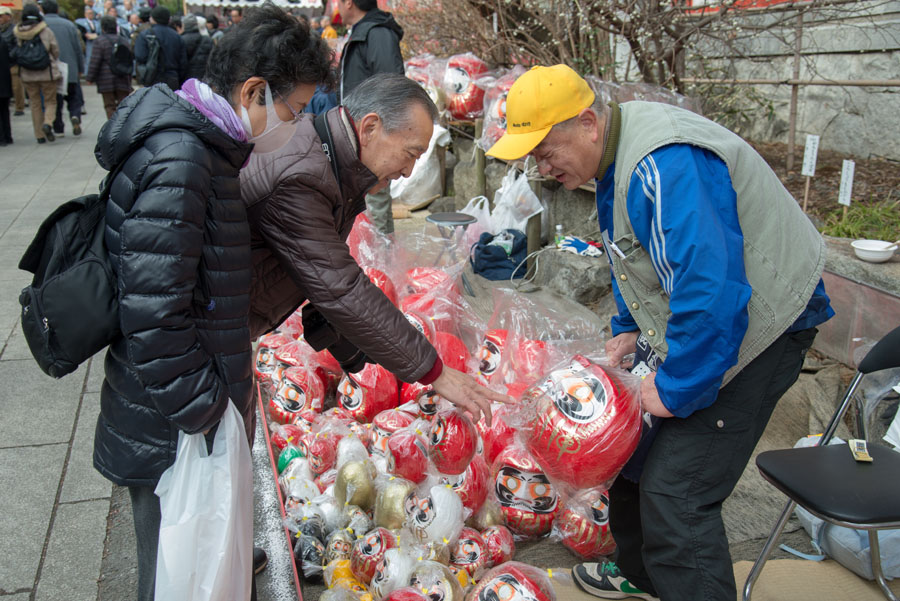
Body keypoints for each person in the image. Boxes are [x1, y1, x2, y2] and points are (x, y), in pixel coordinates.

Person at [486, 64, 835, 601]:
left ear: (587, 123)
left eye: (545, 148)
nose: (541, 165)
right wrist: (628, 329)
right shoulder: (611, 162)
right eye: (532, 156)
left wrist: (676, 389)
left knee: (679, 493)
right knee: (632, 451)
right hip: (711, 320)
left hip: (764, 325)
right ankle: (643, 578)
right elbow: (636, 254)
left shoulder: (663, 165)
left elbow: (712, 292)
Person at [92, 5, 333, 601]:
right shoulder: (184, 158)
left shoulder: (206, 149)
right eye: (295, 111)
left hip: (170, 414)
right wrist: (205, 413)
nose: (297, 127)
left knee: (183, 569)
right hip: (167, 424)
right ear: (255, 92)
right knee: (169, 575)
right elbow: (151, 312)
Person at [240, 73, 509, 425]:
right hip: (194, 335)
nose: (409, 171)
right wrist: (435, 372)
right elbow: (340, 288)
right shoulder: (303, 176)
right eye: (410, 153)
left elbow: (319, 283)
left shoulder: (327, 162)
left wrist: (357, 362)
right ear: (370, 127)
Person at [336, 0, 404, 236]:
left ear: (348, 3)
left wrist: (382, 139)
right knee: (363, 207)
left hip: (374, 137)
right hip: (357, 133)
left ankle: (381, 267)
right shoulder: (362, 32)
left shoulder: (378, 34)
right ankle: (369, 262)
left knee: (375, 203)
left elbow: (393, 89)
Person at [14, 3, 60, 143]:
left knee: (34, 103)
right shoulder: (45, 30)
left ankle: (39, 135)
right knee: (50, 101)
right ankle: (48, 123)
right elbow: (55, 50)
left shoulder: (18, 32)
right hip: (46, 72)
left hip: (27, 73)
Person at [41, 0, 84, 136]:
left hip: (50, 69)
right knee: (74, 96)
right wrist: (80, 68)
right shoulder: (69, 25)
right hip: (70, 67)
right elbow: (78, 49)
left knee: (55, 100)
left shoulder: (41, 25)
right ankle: (75, 115)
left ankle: (58, 127)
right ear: (57, 10)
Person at [85, 15, 131, 118]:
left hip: (105, 79)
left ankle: (112, 130)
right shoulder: (123, 40)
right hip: (122, 77)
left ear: (103, 28)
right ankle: (123, 127)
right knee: (123, 106)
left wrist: (90, 78)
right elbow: (129, 60)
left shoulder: (100, 41)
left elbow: (95, 61)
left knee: (109, 106)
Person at [134, 5, 186, 89]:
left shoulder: (145, 35)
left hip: (152, 78)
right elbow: (183, 62)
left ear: (152, 18)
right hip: (172, 77)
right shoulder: (177, 36)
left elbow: (140, 57)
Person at [0, 6, 25, 116]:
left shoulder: (15, 29)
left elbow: (18, 45)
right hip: (2, 63)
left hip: (12, 62)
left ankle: (19, 107)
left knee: (16, 86)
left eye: (1, 16)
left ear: (8, 17)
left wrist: (10, 56)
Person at [181, 14, 211, 81]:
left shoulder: (181, 40)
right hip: (204, 76)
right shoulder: (207, 39)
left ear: (184, 25)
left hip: (187, 77)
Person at [0, 21, 12, 145]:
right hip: (5, 80)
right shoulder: (3, 41)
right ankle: (7, 136)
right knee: (4, 109)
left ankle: (2, 138)